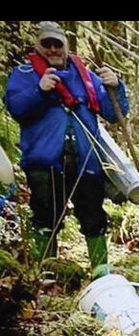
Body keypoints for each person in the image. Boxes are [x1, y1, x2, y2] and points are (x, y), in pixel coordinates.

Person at [2, 21, 129, 276]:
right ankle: (46, 276)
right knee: (45, 219)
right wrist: (39, 91)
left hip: (86, 162)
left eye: (56, 44)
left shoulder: (87, 77)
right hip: (44, 161)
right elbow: (16, 108)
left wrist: (117, 87)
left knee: (94, 218)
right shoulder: (25, 74)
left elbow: (115, 113)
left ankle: (101, 275)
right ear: (37, 46)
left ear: (65, 46)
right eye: (46, 44)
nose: (52, 50)